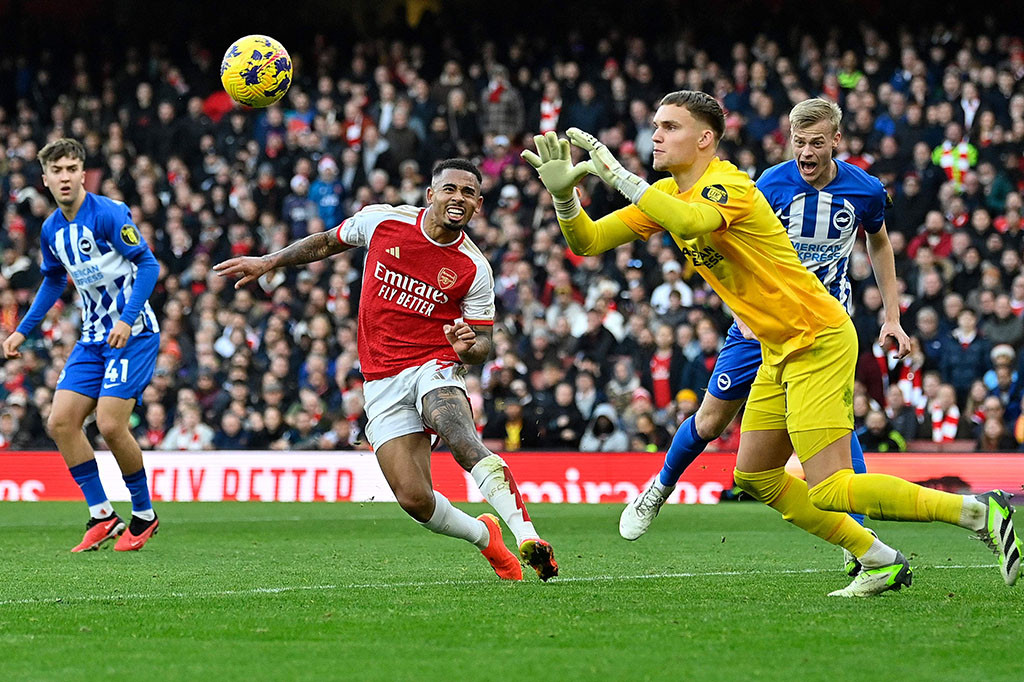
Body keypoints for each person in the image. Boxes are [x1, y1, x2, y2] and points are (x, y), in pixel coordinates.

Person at [523, 90, 1019, 596]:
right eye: (655, 124)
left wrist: (618, 176)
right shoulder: (672, 194)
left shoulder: (730, 185)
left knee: (830, 487)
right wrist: (565, 198)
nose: (655, 135)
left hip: (817, 337)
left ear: (705, 138)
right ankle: (879, 559)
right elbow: (588, 242)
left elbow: (691, 224)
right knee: (756, 473)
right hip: (775, 343)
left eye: (669, 126)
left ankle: (979, 510)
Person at [215, 159, 557, 581]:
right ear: (430, 195)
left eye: (468, 194)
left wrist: (468, 348)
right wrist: (270, 262)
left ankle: (528, 536)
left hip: (435, 365)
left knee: (460, 436)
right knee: (415, 500)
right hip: (381, 379)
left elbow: (482, 346)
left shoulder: (474, 268)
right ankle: (486, 537)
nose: (458, 198)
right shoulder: (382, 222)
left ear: (479, 206)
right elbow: (325, 242)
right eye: (450, 189)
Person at [622, 98, 911, 554]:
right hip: (756, 326)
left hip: (819, 327)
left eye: (817, 142)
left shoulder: (866, 190)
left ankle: (859, 541)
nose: (807, 152)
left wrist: (892, 316)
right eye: (799, 142)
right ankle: (659, 487)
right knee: (712, 419)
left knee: (836, 424)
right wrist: (740, 309)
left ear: (836, 141)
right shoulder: (768, 185)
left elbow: (878, 241)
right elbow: (734, 240)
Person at [2, 138, 161, 552]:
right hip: (93, 337)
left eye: (73, 168)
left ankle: (144, 515)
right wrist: (23, 329)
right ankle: (103, 514)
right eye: (58, 171)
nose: (66, 177)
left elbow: (148, 264)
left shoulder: (108, 213)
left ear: (83, 172)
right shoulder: (52, 228)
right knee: (60, 423)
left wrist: (127, 319)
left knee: (110, 424)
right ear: (46, 180)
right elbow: (54, 279)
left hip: (134, 332)